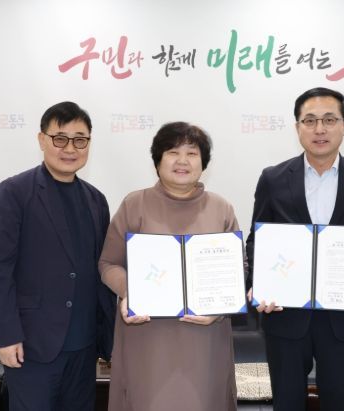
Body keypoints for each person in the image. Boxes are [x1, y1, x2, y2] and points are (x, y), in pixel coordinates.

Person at [245, 87, 344, 411]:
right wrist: (258, 285)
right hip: (285, 314)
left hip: (343, 318)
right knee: (287, 403)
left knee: (340, 402)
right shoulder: (273, 179)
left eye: (329, 120)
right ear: (297, 127)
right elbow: (257, 240)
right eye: (309, 120)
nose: (319, 129)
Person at [0, 101, 116, 411]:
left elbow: (100, 271)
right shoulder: (13, 193)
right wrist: (6, 336)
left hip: (84, 347)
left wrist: (108, 336)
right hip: (31, 346)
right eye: (60, 138)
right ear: (42, 140)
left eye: (80, 140)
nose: (70, 148)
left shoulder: (96, 200)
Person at [98, 122, 239, 411]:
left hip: (205, 338)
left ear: (204, 163)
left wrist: (218, 310)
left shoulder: (221, 209)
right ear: (157, 161)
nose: (182, 161)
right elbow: (109, 263)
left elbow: (239, 269)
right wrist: (130, 292)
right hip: (147, 336)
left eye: (192, 153)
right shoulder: (134, 204)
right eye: (173, 152)